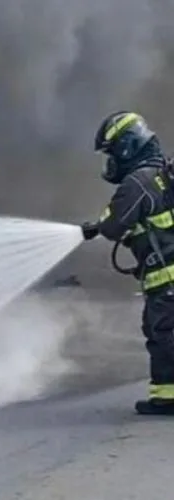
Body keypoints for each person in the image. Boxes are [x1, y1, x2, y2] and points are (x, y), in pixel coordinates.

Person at [81, 111, 174, 415]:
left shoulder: (139, 181)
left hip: (167, 280)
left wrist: (97, 225)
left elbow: (113, 225)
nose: (110, 162)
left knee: (164, 336)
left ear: (127, 147)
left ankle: (168, 398)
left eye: (111, 153)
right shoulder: (163, 173)